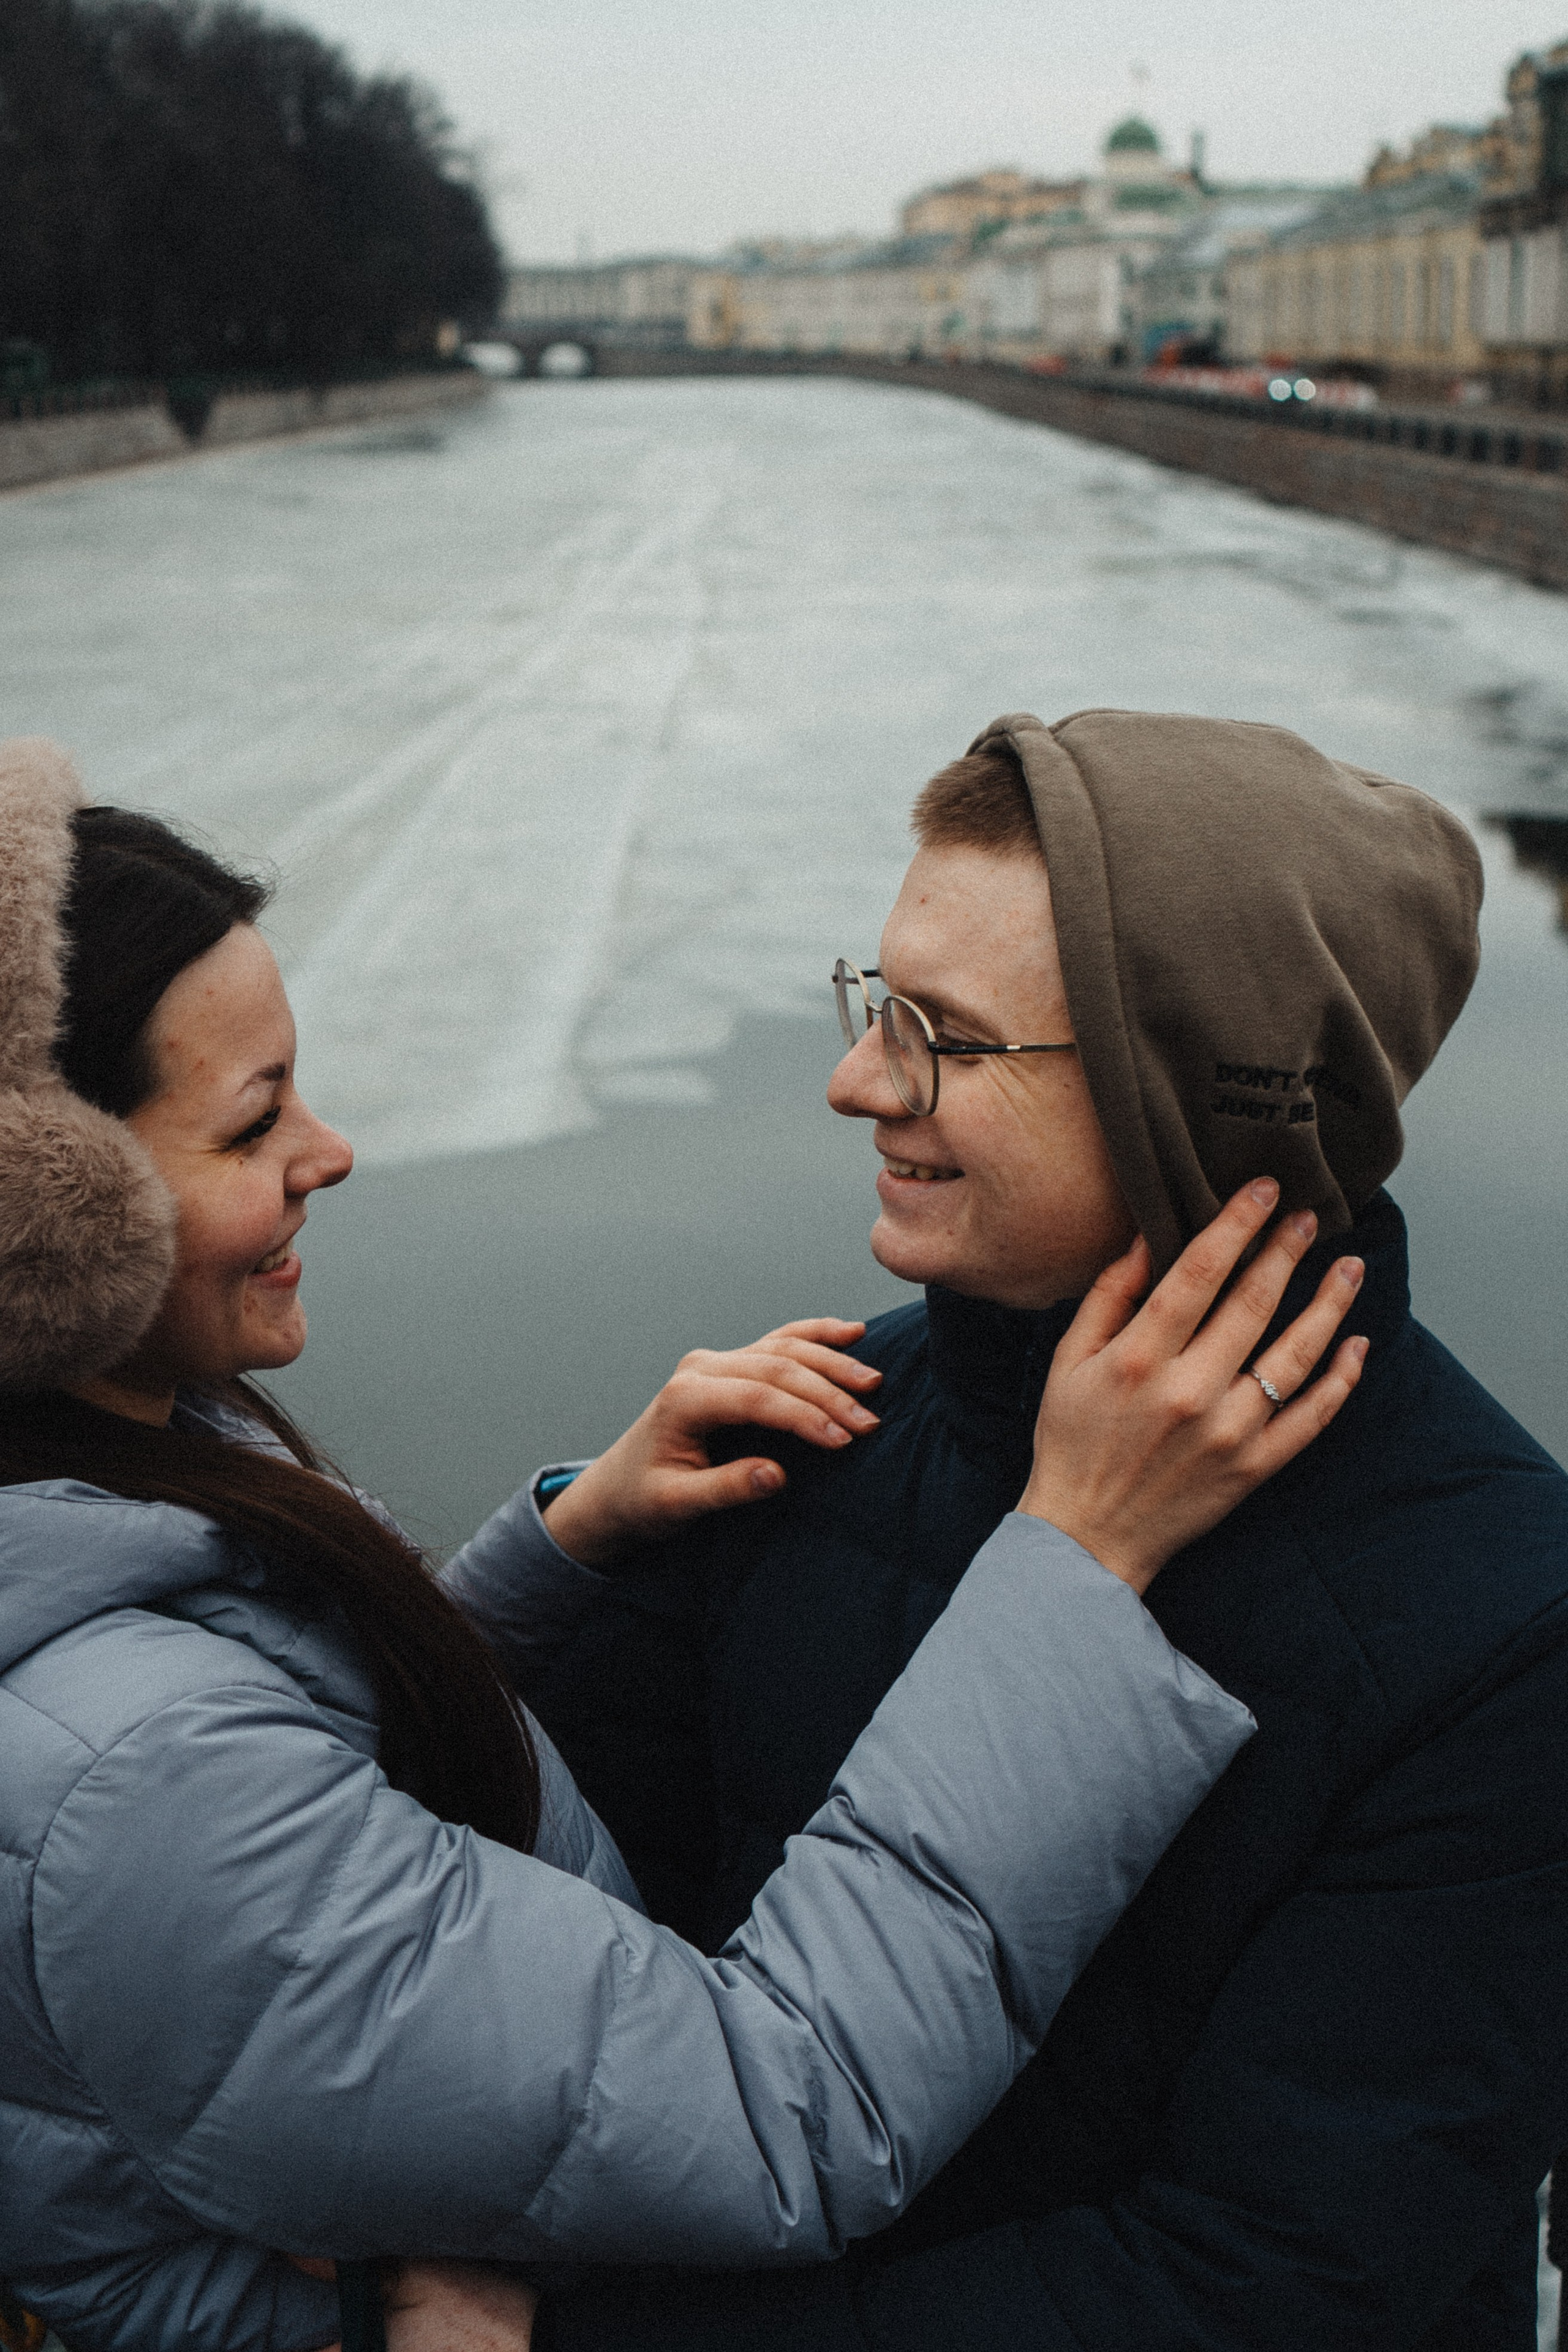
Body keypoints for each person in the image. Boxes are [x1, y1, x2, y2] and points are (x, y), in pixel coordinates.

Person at [0, 734, 1362, 2352]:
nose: (331, 1151)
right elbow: (787, 2109)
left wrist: (561, 1548)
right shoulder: (142, 1782)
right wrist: (1076, 1557)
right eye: (251, 1126)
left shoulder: (109, 1466)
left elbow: (283, 1772)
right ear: (57, 1229)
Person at [521, 710, 1568, 2352]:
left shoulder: (1507, 1625)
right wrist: (570, 1553)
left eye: (944, 1036)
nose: (859, 1081)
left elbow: (1269, 2282)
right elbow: (554, 1949)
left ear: (1199, 1103)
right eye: (876, 1004)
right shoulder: (807, 1425)